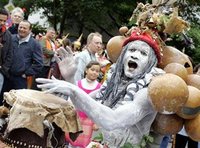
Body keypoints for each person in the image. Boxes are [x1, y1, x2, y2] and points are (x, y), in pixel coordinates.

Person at [37, 29, 165, 147]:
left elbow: (113, 120)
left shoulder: (146, 93)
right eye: (131, 50)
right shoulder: (112, 87)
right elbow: (80, 104)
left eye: (143, 53)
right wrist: (71, 78)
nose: (135, 56)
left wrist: (73, 89)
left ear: (150, 63)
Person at [66, 60, 102, 147]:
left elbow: (100, 106)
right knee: (72, 140)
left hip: (89, 120)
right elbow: (70, 100)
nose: (94, 72)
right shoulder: (78, 84)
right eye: (92, 69)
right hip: (75, 117)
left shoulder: (100, 88)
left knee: (84, 143)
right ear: (86, 70)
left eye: (97, 71)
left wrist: (97, 123)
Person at [2, 20, 43, 92]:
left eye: (25, 28)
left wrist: (26, 73)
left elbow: (39, 64)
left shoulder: (35, 44)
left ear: (30, 30)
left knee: (16, 101)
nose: (22, 29)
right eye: (20, 27)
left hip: (20, 79)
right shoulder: (11, 38)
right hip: (6, 76)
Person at [0, 9, 13, 105]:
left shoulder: (8, 35)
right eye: (0, 20)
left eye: (4, 21)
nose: (2, 23)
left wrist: (3, 69)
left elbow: (10, 54)